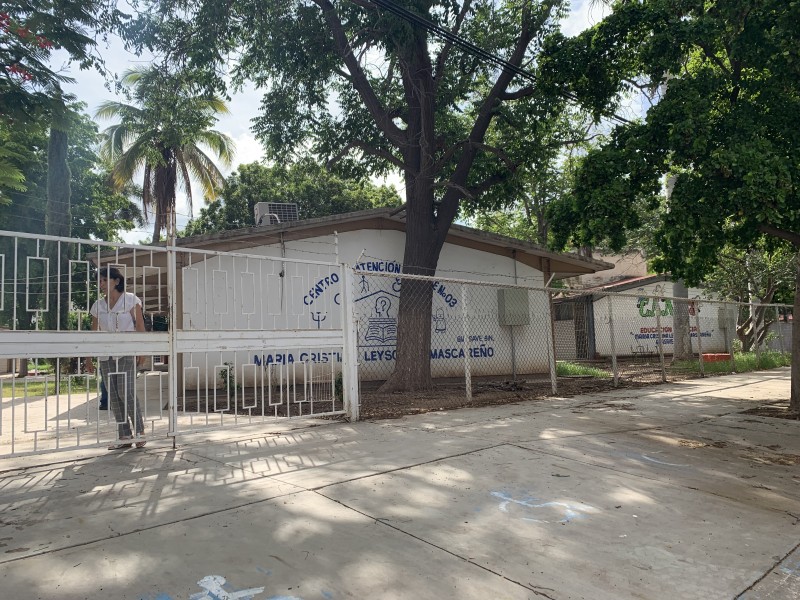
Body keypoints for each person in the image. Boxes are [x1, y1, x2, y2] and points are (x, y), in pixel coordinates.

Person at [84, 267, 147, 450]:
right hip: (105, 355)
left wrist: (142, 352)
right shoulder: (98, 306)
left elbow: (140, 327)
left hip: (126, 352)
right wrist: (89, 358)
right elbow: (93, 333)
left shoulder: (131, 300)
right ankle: (125, 435)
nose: (101, 284)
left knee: (125, 392)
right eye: (99, 281)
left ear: (116, 281)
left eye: (104, 280)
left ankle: (140, 432)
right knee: (113, 395)